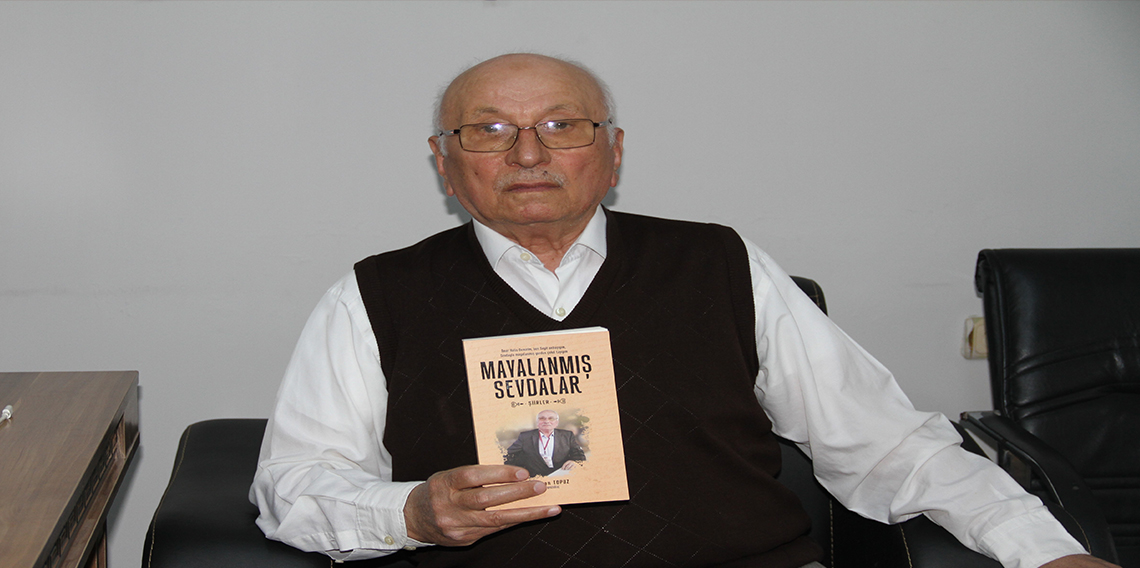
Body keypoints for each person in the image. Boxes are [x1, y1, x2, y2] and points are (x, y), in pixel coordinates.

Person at [250, 53, 1118, 568]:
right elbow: (291, 487)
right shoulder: (374, 295)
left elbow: (888, 445)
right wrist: (410, 513)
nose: (528, 153)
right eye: (489, 130)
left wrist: (1047, 550)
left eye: (562, 125)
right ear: (445, 163)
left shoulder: (721, 264)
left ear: (613, 151)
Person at [503, 409, 586, 477]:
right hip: (535, 478)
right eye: (542, 418)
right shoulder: (525, 436)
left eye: (551, 418)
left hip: (561, 474)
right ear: (537, 423)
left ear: (557, 422)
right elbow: (508, 455)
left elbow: (579, 453)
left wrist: (575, 461)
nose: (546, 421)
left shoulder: (567, 435)